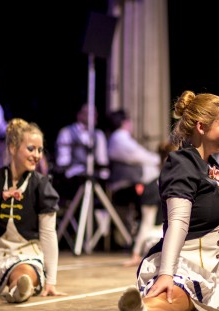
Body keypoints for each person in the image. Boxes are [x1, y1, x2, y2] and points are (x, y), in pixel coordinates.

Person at [117, 90, 219, 311]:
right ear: (201, 126)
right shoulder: (181, 163)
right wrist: (167, 274)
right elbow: (177, 222)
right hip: (190, 265)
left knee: (175, 303)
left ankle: (147, 309)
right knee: (170, 302)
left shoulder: (211, 166)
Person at [0, 118, 64, 302]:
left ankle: (18, 291)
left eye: (40, 150)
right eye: (30, 148)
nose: (37, 155)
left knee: (24, 274)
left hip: (24, 255)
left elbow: (48, 234)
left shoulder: (41, 186)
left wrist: (51, 281)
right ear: (12, 148)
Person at [106, 108, 161, 238]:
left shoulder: (120, 138)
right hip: (126, 184)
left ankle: (151, 230)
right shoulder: (119, 138)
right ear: (124, 122)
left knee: (158, 186)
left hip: (133, 181)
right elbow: (139, 155)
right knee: (157, 190)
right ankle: (150, 231)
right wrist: (160, 159)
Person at [122, 140, 177, 268]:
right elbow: (146, 223)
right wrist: (136, 253)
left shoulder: (186, 185)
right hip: (158, 235)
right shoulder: (154, 187)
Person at [53, 103, 110, 202]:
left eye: (95, 114)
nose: (94, 116)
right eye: (89, 113)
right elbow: (63, 160)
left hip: (94, 178)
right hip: (73, 178)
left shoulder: (98, 135)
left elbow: (102, 159)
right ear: (80, 115)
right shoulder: (67, 132)